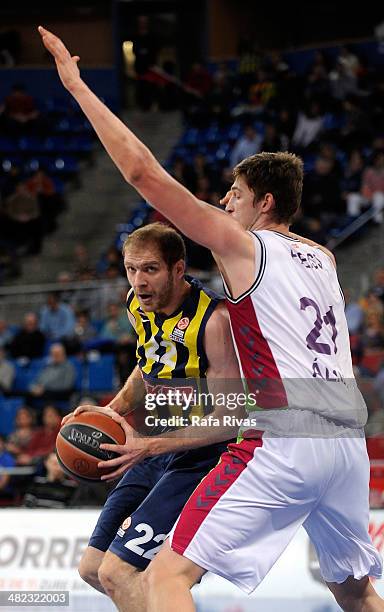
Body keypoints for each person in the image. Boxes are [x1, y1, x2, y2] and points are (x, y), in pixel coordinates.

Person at [39, 27, 384, 612]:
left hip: (287, 437)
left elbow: (144, 174)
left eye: (234, 193)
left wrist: (76, 86)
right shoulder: (322, 257)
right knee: (354, 591)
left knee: (165, 579)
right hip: (346, 440)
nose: (226, 203)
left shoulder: (245, 247)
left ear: (264, 203)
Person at [60, 222, 240, 610]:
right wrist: (111, 411)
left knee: (116, 572)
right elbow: (148, 368)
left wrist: (151, 445)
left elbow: (230, 417)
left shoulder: (213, 321)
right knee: (93, 568)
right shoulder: (136, 305)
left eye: (150, 269)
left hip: (202, 458)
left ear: (178, 269)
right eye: (131, 269)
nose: (139, 282)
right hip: (153, 447)